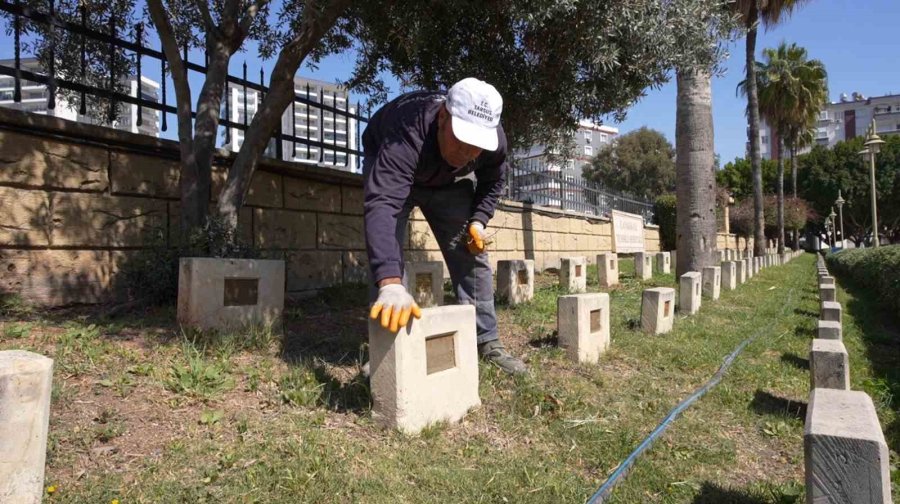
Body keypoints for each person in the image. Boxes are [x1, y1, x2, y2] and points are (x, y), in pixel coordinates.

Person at [362, 77, 527, 375]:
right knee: (388, 264)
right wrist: (389, 283)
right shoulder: (406, 132)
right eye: (462, 140)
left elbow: (493, 182)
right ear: (442, 117)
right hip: (394, 165)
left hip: (444, 182)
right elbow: (383, 206)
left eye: (476, 146)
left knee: (470, 254)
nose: (467, 152)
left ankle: (486, 341)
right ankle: (385, 352)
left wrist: (478, 221)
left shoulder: (494, 141)